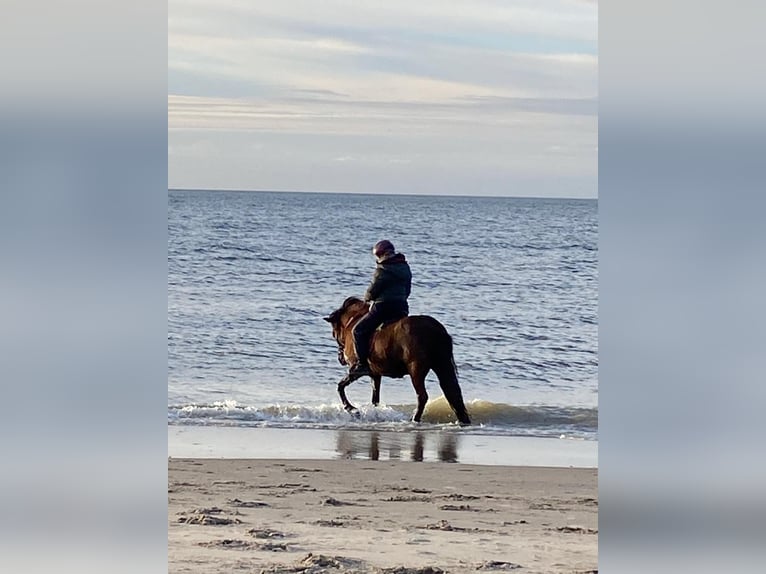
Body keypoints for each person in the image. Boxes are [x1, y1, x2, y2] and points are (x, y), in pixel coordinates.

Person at [348, 239, 412, 376]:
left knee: (358, 331)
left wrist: (366, 298)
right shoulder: (405, 267)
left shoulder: (382, 270)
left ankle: (362, 364)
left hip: (383, 307)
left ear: (381, 255)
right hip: (401, 307)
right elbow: (407, 290)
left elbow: (372, 291)